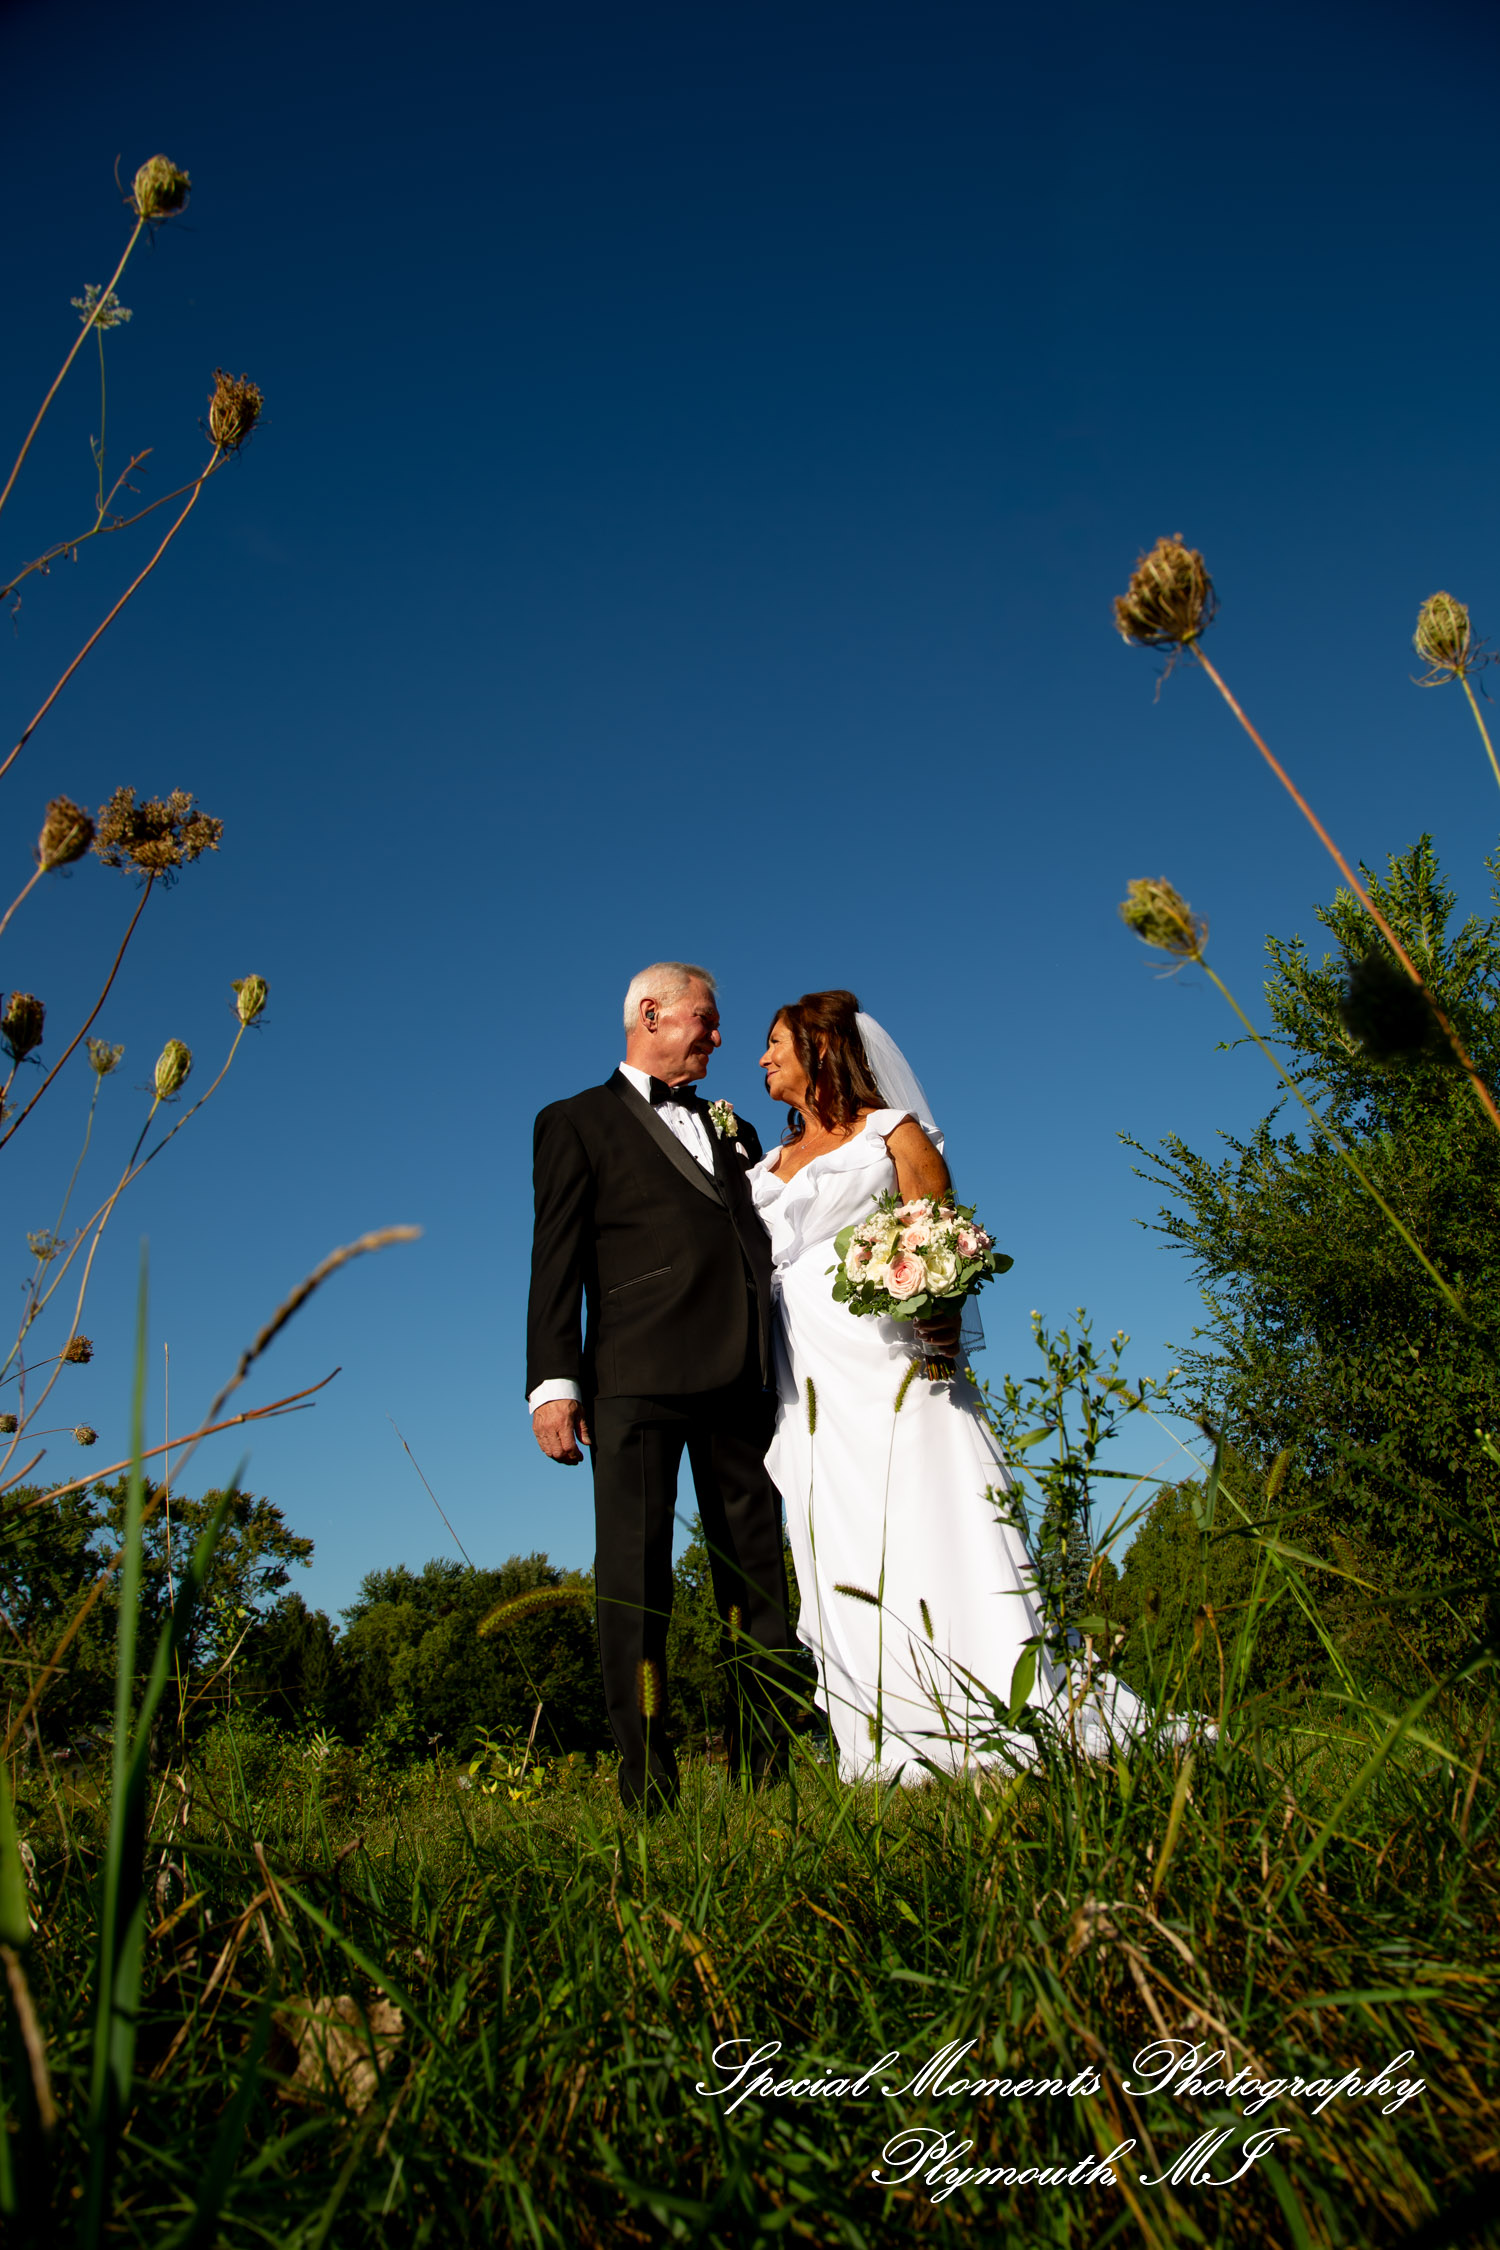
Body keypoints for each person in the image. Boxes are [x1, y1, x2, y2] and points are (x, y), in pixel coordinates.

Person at [750, 989, 1158, 1782]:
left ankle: (986, 1698)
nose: (763, 1058)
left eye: (776, 1043)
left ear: (822, 1050)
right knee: (838, 1534)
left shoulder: (893, 1135)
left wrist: (939, 1317)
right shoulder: (764, 1162)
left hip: (889, 1364)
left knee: (926, 1510)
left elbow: (940, 1237)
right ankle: (881, 1722)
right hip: (806, 1376)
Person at [526, 961, 798, 1811]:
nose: (721, 1038)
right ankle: (648, 1783)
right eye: (707, 1021)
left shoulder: (737, 1127)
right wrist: (552, 1383)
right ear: (650, 1014)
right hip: (633, 1379)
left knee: (756, 1580)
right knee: (635, 1583)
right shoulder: (574, 1121)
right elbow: (555, 1260)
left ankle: (768, 1772)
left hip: (741, 1378)